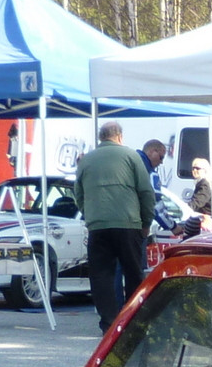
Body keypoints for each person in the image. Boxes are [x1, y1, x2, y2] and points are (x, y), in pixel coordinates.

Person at [74, 120, 155, 332]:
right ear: (119, 136)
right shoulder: (131, 156)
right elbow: (146, 192)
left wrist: (89, 215)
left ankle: (108, 324)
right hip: (128, 224)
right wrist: (146, 222)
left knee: (101, 276)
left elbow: (78, 194)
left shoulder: (86, 160)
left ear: (102, 137)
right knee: (133, 273)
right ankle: (133, 323)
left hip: (98, 226)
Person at [141, 138, 182, 236]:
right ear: (152, 152)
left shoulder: (128, 163)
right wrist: (173, 227)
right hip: (133, 227)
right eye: (161, 157)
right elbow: (156, 206)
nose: (162, 162)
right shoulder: (150, 173)